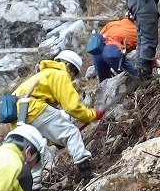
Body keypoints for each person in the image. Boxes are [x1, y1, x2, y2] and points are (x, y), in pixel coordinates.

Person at [13, 50, 103, 178]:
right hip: (34, 108)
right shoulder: (60, 74)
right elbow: (71, 107)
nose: (73, 76)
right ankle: (86, 173)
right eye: (74, 72)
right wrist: (92, 115)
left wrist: (53, 140)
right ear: (67, 65)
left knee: (33, 154)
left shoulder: (44, 74)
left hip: (18, 118)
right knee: (71, 133)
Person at [91, 18, 138, 82]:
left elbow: (99, 37)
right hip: (111, 51)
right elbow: (146, 50)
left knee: (104, 82)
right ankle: (138, 79)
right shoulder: (137, 31)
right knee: (132, 76)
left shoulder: (112, 23)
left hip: (98, 51)